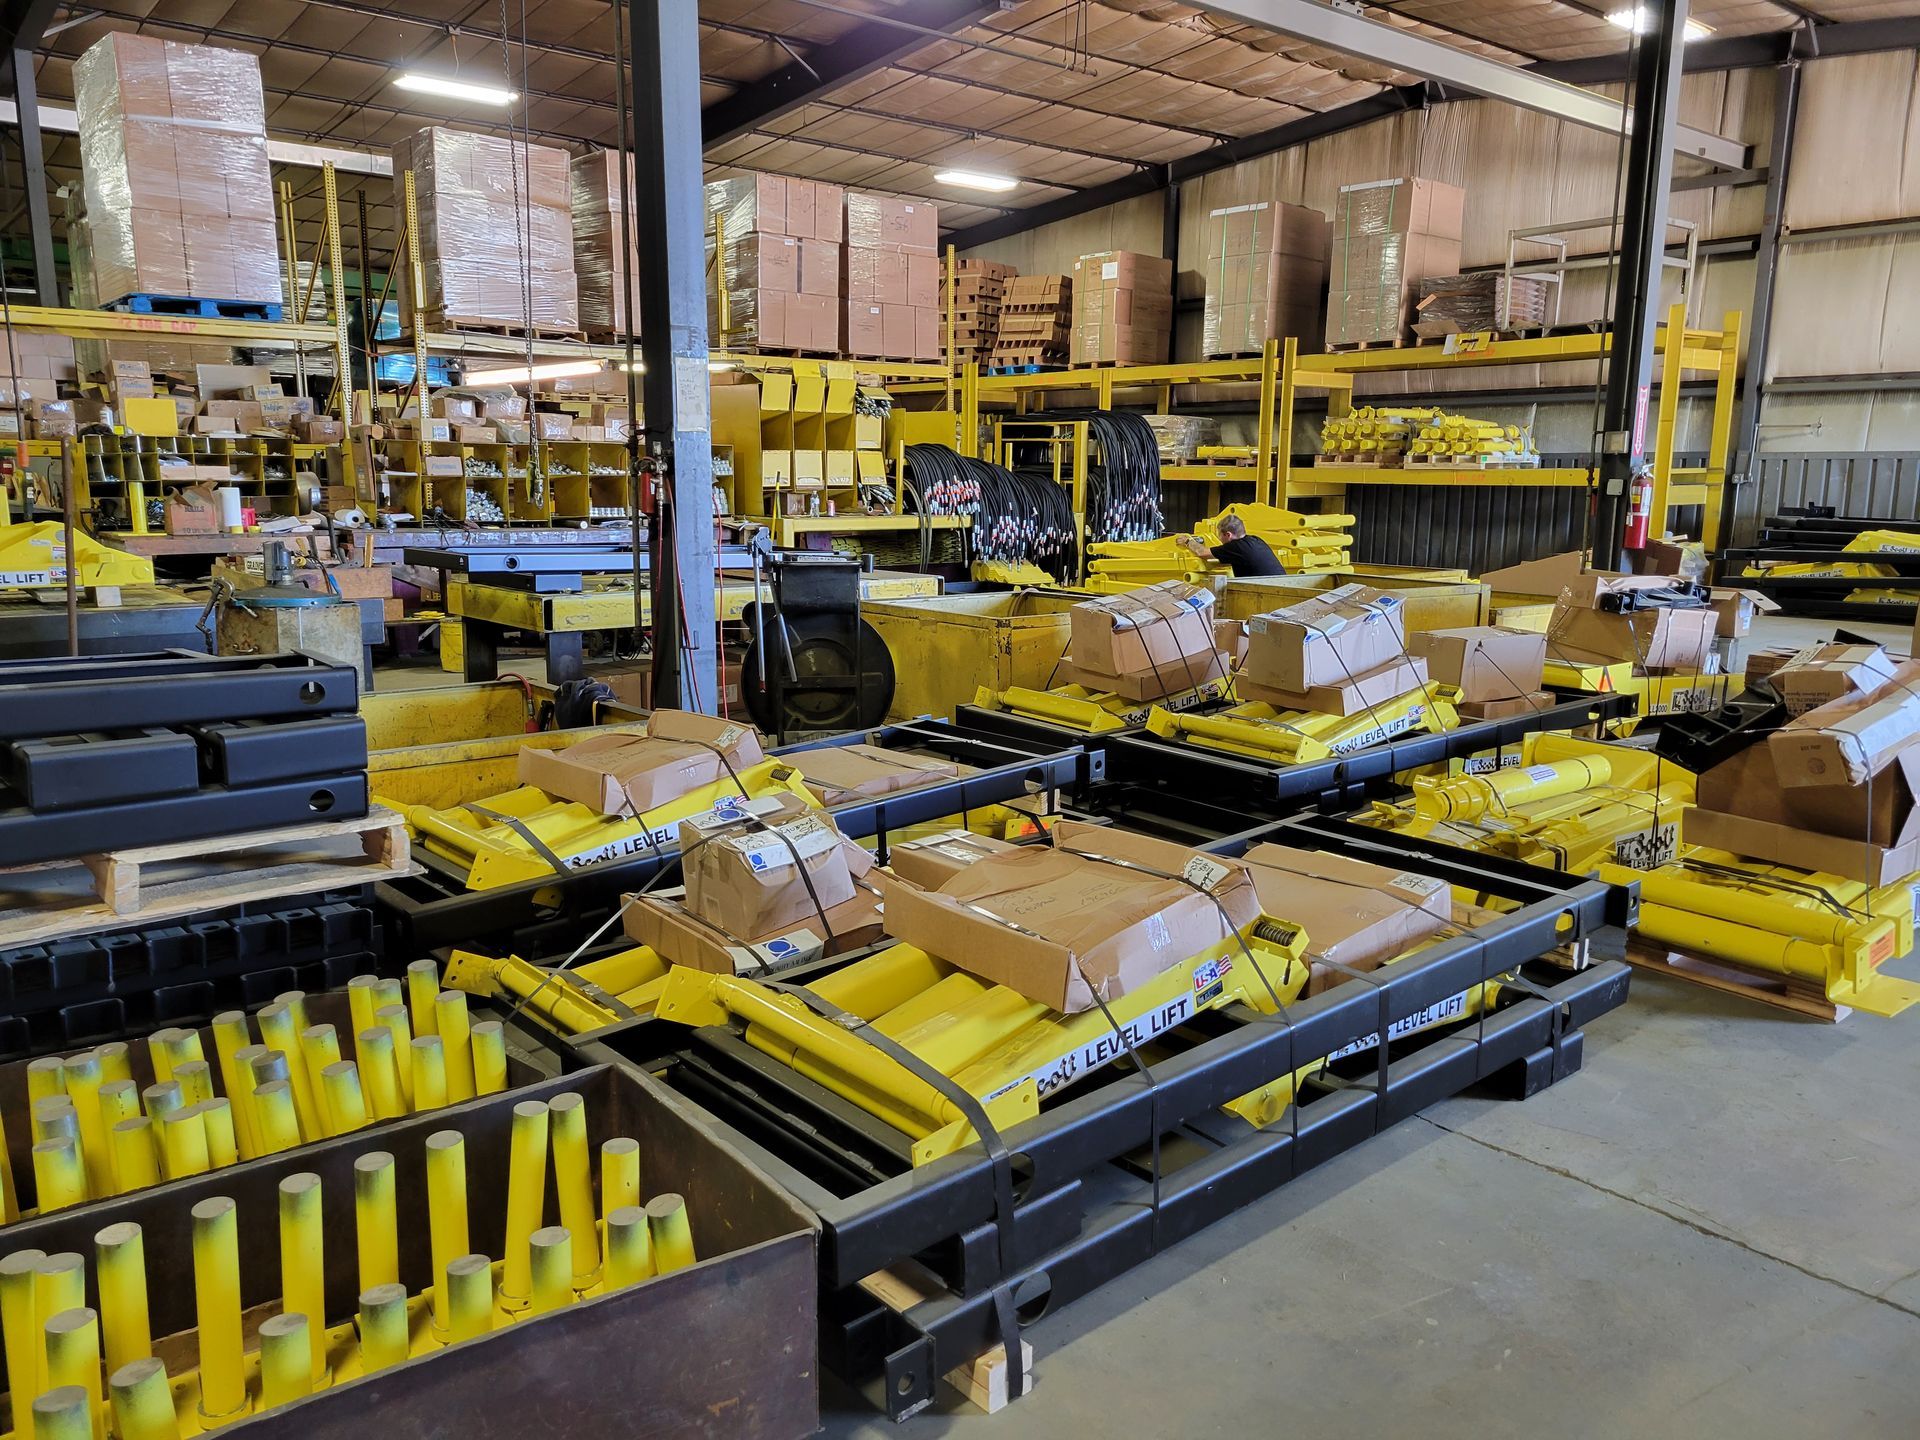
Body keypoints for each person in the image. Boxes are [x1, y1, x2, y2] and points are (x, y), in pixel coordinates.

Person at [1181, 514, 1285, 576]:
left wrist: (1187, 541)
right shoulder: (1256, 540)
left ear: (1228, 535)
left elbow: (1201, 552)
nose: (1220, 539)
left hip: (1265, 591)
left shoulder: (1236, 547)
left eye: (1220, 536)